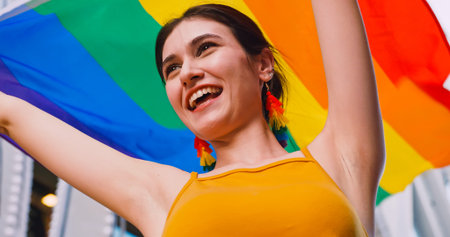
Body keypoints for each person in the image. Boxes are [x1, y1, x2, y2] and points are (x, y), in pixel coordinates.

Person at [0, 1, 385, 236]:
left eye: (206, 48)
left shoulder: (341, 158)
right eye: (171, 69)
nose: (187, 73)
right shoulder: (160, 195)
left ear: (263, 64)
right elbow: (11, 115)